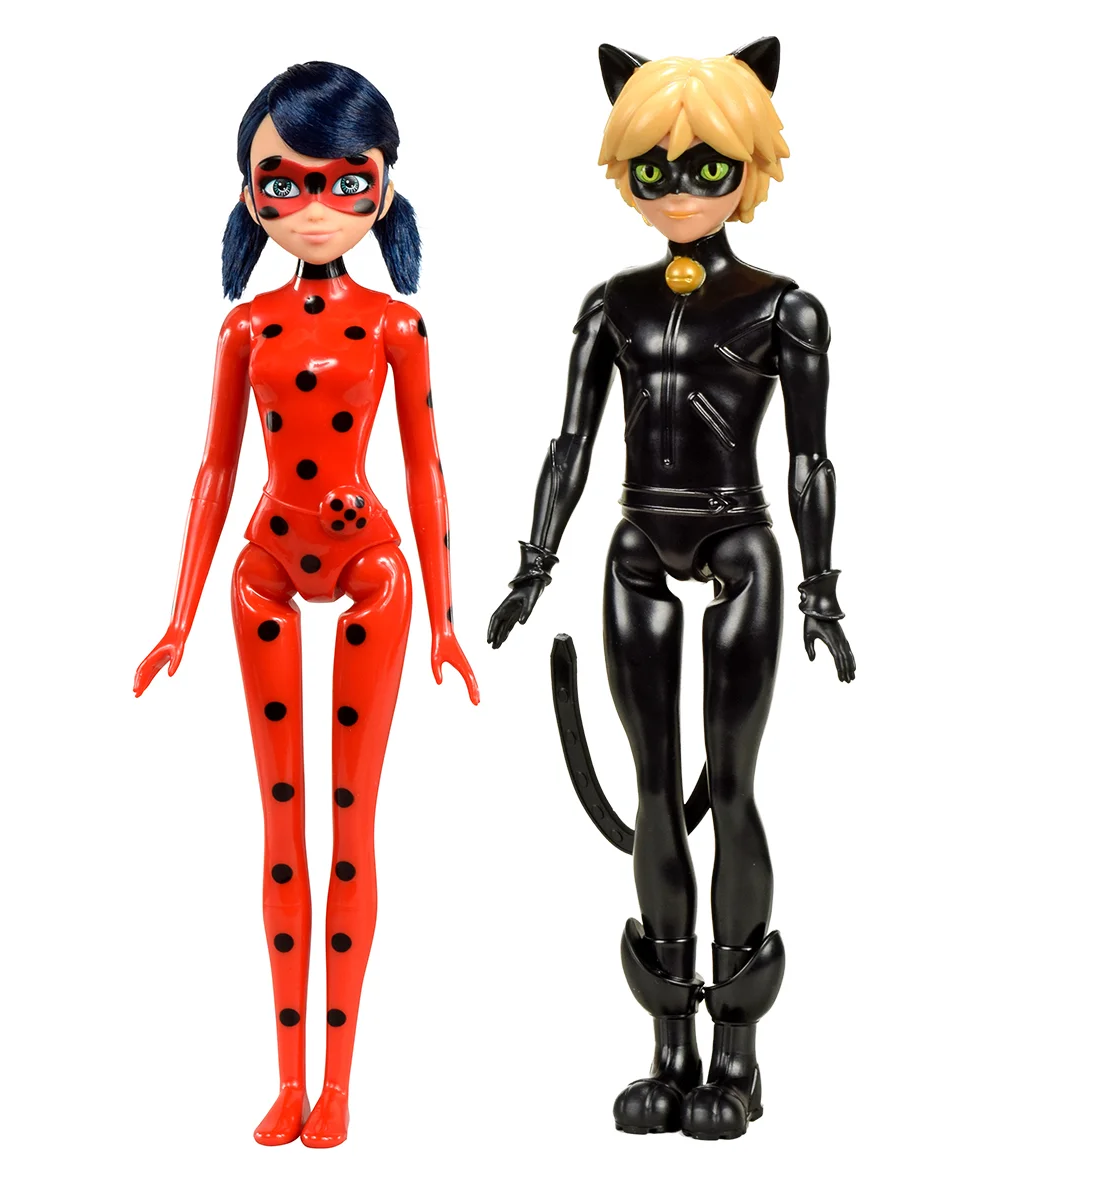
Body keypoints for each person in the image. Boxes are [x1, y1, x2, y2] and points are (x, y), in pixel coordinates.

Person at [488, 39, 854, 1140]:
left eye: (707, 166)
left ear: (751, 168)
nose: (681, 188)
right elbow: (570, 443)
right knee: (656, 794)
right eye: (654, 168)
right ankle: (667, 1046)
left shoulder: (785, 309)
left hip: (740, 542)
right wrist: (536, 562)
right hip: (637, 543)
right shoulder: (614, 306)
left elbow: (809, 460)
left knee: (730, 790)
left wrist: (821, 589)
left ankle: (736, 1055)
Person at [134, 61, 478, 1149]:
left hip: (372, 564)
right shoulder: (245, 331)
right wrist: (179, 615)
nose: (315, 207)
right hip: (267, 566)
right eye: (284, 184)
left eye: (344, 181)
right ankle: (289, 1079)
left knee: (349, 822)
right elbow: (214, 470)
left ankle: (341, 1086)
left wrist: (446, 618)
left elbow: (424, 470)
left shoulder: (396, 327)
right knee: (282, 823)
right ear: (250, 194)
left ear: (382, 187)